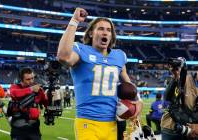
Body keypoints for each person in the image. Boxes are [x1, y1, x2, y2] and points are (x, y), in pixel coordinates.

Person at [57, 7, 143, 140]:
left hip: (112, 123)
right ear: (91, 33)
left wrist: (138, 101)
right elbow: (63, 57)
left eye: (108, 30)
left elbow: (129, 86)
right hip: (87, 122)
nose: (105, 33)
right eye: (100, 29)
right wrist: (74, 21)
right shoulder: (81, 51)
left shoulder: (119, 56)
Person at [9, 67, 48, 140]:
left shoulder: (39, 90)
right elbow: (14, 93)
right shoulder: (15, 87)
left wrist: (51, 96)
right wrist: (31, 89)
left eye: (32, 78)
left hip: (34, 128)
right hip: (18, 127)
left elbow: (46, 103)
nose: (31, 81)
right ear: (21, 79)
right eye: (28, 79)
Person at [161, 64, 198, 140]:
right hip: (171, 127)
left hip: (192, 131)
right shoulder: (185, 78)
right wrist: (176, 76)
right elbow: (167, 97)